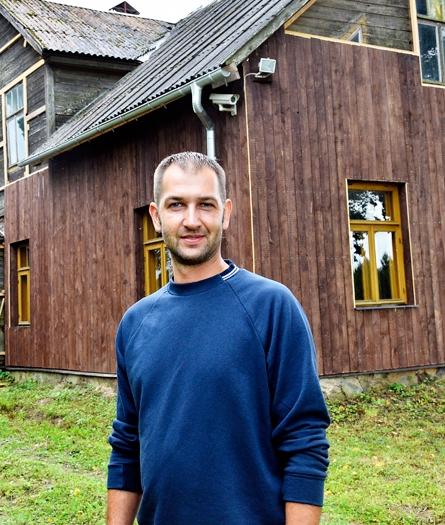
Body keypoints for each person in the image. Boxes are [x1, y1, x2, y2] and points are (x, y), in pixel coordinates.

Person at [106, 151, 330, 525]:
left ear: (225, 213)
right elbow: (128, 447)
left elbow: (305, 442)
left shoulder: (271, 306)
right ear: (156, 217)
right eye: (176, 205)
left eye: (205, 205)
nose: (192, 220)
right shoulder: (135, 323)